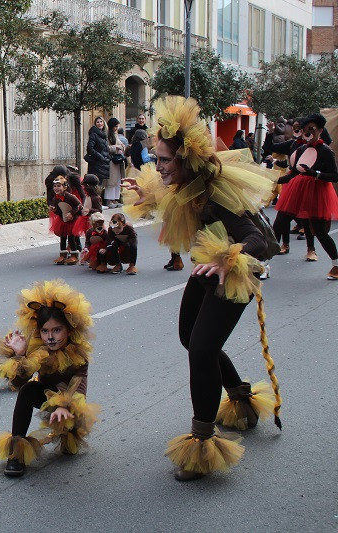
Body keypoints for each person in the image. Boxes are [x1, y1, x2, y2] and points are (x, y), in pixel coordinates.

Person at [123, 96, 281, 482]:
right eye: (154, 157)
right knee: (188, 338)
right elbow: (171, 196)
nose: (156, 166)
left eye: (163, 160)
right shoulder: (185, 183)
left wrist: (230, 257)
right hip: (207, 270)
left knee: (201, 349)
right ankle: (240, 395)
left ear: (185, 161)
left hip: (234, 272)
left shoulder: (218, 192)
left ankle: (203, 440)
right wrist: (149, 197)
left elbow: (255, 239)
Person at [0, 280, 99, 477]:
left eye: (57, 330)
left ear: (68, 330)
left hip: (72, 402)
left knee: (69, 443)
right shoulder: (38, 350)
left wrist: (65, 405)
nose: (50, 337)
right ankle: (16, 454)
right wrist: (20, 356)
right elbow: (17, 383)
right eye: (45, 331)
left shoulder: (78, 352)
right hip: (45, 396)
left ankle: (69, 430)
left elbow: (79, 383)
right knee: (27, 390)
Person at [274, 113, 338, 279]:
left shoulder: (325, 151)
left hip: (317, 193)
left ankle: (336, 265)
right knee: (279, 223)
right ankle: (261, 264)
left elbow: (334, 176)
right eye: (304, 130)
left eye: (312, 129)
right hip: (296, 190)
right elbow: (293, 174)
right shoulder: (301, 148)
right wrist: (273, 180)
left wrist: (315, 173)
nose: (307, 133)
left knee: (319, 232)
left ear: (320, 130)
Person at [48, 176, 82, 265]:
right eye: (55, 186)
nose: (56, 188)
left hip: (72, 220)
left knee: (71, 237)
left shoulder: (71, 197)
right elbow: (60, 211)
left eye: (59, 186)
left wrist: (72, 213)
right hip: (63, 220)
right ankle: (63, 255)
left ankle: (74, 254)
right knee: (62, 237)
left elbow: (79, 206)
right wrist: (54, 210)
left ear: (64, 187)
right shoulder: (56, 199)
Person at [72, 174, 103, 244]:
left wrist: (90, 210)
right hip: (85, 219)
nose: (83, 187)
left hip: (92, 221)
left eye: (84, 185)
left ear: (88, 186)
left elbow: (99, 210)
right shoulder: (88, 195)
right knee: (88, 236)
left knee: (92, 237)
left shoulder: (96, 198)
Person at [105, 117, 126, 209]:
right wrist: (116, 147)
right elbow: (107, 148)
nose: (117, 128)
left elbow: (122, 145)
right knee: (111, 181)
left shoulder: (116, 135)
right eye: (115, 126)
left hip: (118, 161)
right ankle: (109, 200)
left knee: (117, 180)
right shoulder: (107, 135)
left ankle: (115, 199)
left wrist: (122, 147)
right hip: (112, 161)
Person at [85, 116, 110, 189]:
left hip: (103, 163)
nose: (100, 123)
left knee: (100, 185)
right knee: (95, 186)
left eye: (101, 122)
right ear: (95, 124)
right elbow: (90, 148)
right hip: (96, 164)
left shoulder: (104, 135)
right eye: (98, 122)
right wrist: (100, 157)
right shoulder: (94, 134)